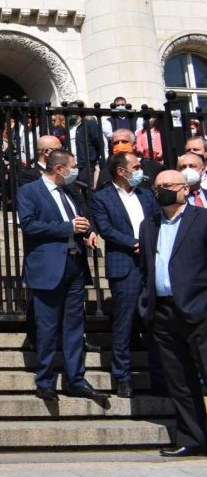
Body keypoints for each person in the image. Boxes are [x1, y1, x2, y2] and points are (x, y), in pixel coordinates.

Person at [16, 149, 106, 401]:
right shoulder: (29, 191)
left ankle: (75, 378)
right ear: (58, 169)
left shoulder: (70, 192)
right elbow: (29, 225)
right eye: (72, 166)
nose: (75, 171)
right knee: (47, 326)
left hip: (74, 265)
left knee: (74, 325)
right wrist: (67, 227)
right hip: (48, 268)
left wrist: (85, 231)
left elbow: (77, 220)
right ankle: (45, 380)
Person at [138, 170, 207, 457]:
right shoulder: (148, 224)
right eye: (158, 186)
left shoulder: (202, 219)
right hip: (163, 311)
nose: (163, 190)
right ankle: (193, 438)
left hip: (199, 308)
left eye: (168, 185)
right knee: (179, 379)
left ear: (185, 189)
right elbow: (146, 266)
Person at [90, 152, 159, 398]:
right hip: (125, 265)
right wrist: (134, 243)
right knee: (124, 323)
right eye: (137, 166)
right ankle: (123, 377)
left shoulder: (147, 194)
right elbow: (106, 228)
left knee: (155, 322)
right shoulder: (102, 197)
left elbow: (157, 221)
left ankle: (158, 378)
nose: (141, 170)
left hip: (151, 265)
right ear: (122, 171)